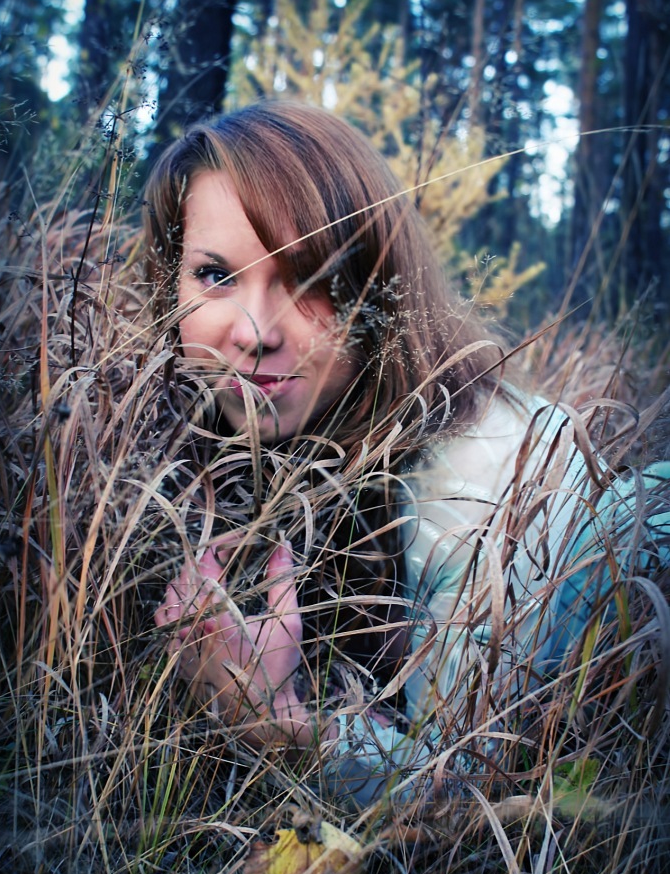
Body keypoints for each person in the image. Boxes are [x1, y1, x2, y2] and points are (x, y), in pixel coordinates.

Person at [146, 101, 669, 805]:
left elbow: (478, 788)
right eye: (216, 275)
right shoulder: (196, 432)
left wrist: (267, 718)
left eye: (311, 280)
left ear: (379, 292)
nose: (254, 331)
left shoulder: (479, 471)